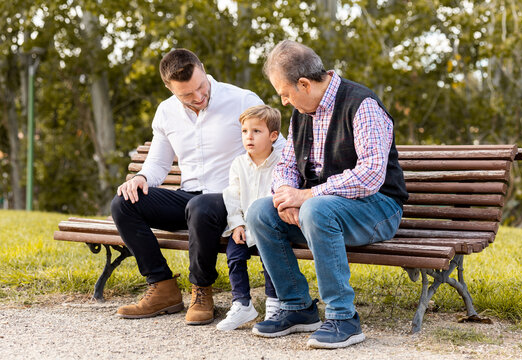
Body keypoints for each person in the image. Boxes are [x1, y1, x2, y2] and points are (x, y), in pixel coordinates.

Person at [246, 40, 409, 348]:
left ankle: (343, 318)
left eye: (284, 93)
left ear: (304, 84)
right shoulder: (301, 114)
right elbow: (286, 166)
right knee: (260, 212)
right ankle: (297, 308)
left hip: (378, 209)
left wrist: (307, 197)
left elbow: (371, 176)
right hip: (322, 209)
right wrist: (284, 195)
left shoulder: (362, 105)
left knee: (316, 209)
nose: (283, 102)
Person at [110, 48, 284, 325]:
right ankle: (162, 287)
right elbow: (158, 163)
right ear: (169, 87)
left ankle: (201, 289)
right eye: (187, 95)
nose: (199, 97)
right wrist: (140, 178)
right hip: (189, 199)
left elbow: (279, 149)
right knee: (123, 202)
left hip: (230, 198)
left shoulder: (241, 99)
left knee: (200, 206)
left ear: (203, 69)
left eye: (201, 87)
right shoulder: (166, 112)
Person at [216, 105, 282, 331]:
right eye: (245, 131)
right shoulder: (239, 164)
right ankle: (242, 303)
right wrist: (237, 225)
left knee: (269, 258)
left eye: (256, 131)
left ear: (273, 136)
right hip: (244, 226)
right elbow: (232, 197)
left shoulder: (281, 164)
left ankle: (275, 303)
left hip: (270, 228)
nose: (249, 137)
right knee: (234, 255)